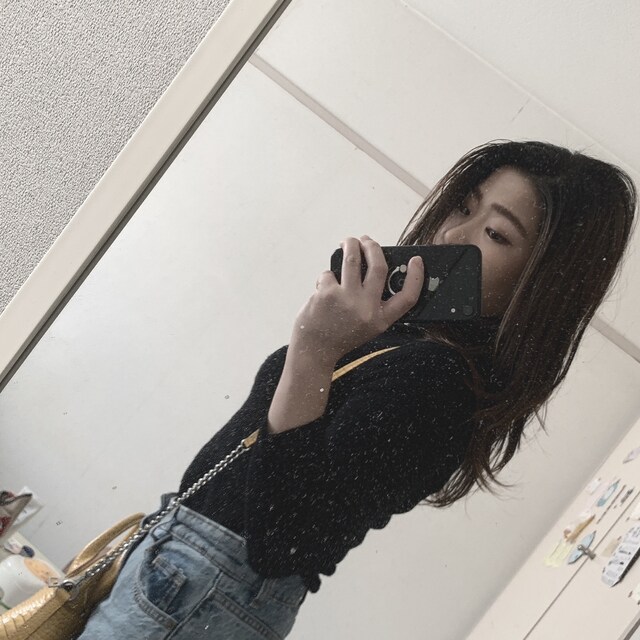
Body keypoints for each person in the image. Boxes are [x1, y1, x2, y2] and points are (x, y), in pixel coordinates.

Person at [77, 140, 636, 639]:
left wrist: (313, 350)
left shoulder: (440, 383)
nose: (452, 234)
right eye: (464, 207)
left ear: (539, 282)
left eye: (495, 234)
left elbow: (283, 539)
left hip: (202, 590)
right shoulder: (408, 341)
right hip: (188, 578)